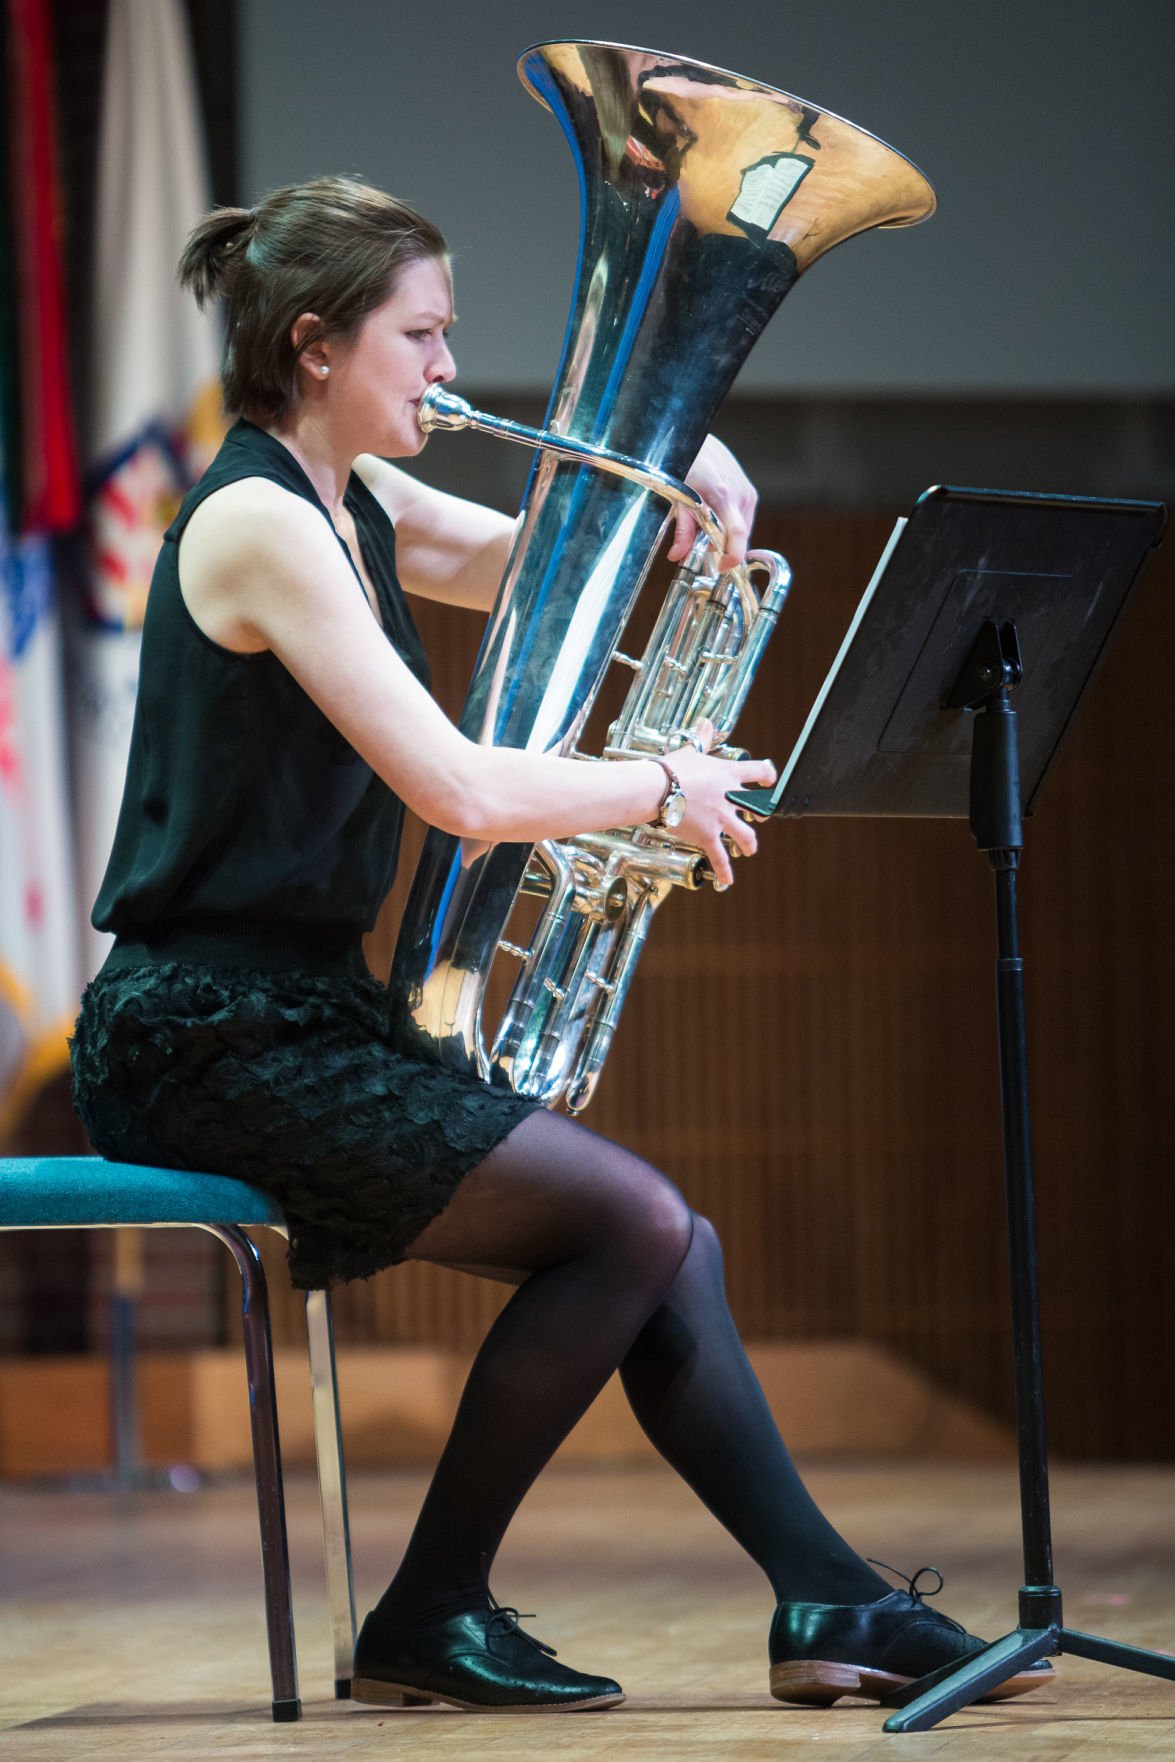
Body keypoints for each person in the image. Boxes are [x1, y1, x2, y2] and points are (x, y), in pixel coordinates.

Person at [70, 176, 1049, 1715]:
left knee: (669, 1242)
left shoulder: (358, 502)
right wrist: (660, 783)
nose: (450, 371)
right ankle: (435, 1605)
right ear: (317, 348)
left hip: (298, 1011)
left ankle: (828, 1599)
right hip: (203, 1033)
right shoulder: (256, 519)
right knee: (636, 1220)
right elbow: (459, 789)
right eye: (425, 337)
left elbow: (533, 560)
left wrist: (680, 481)